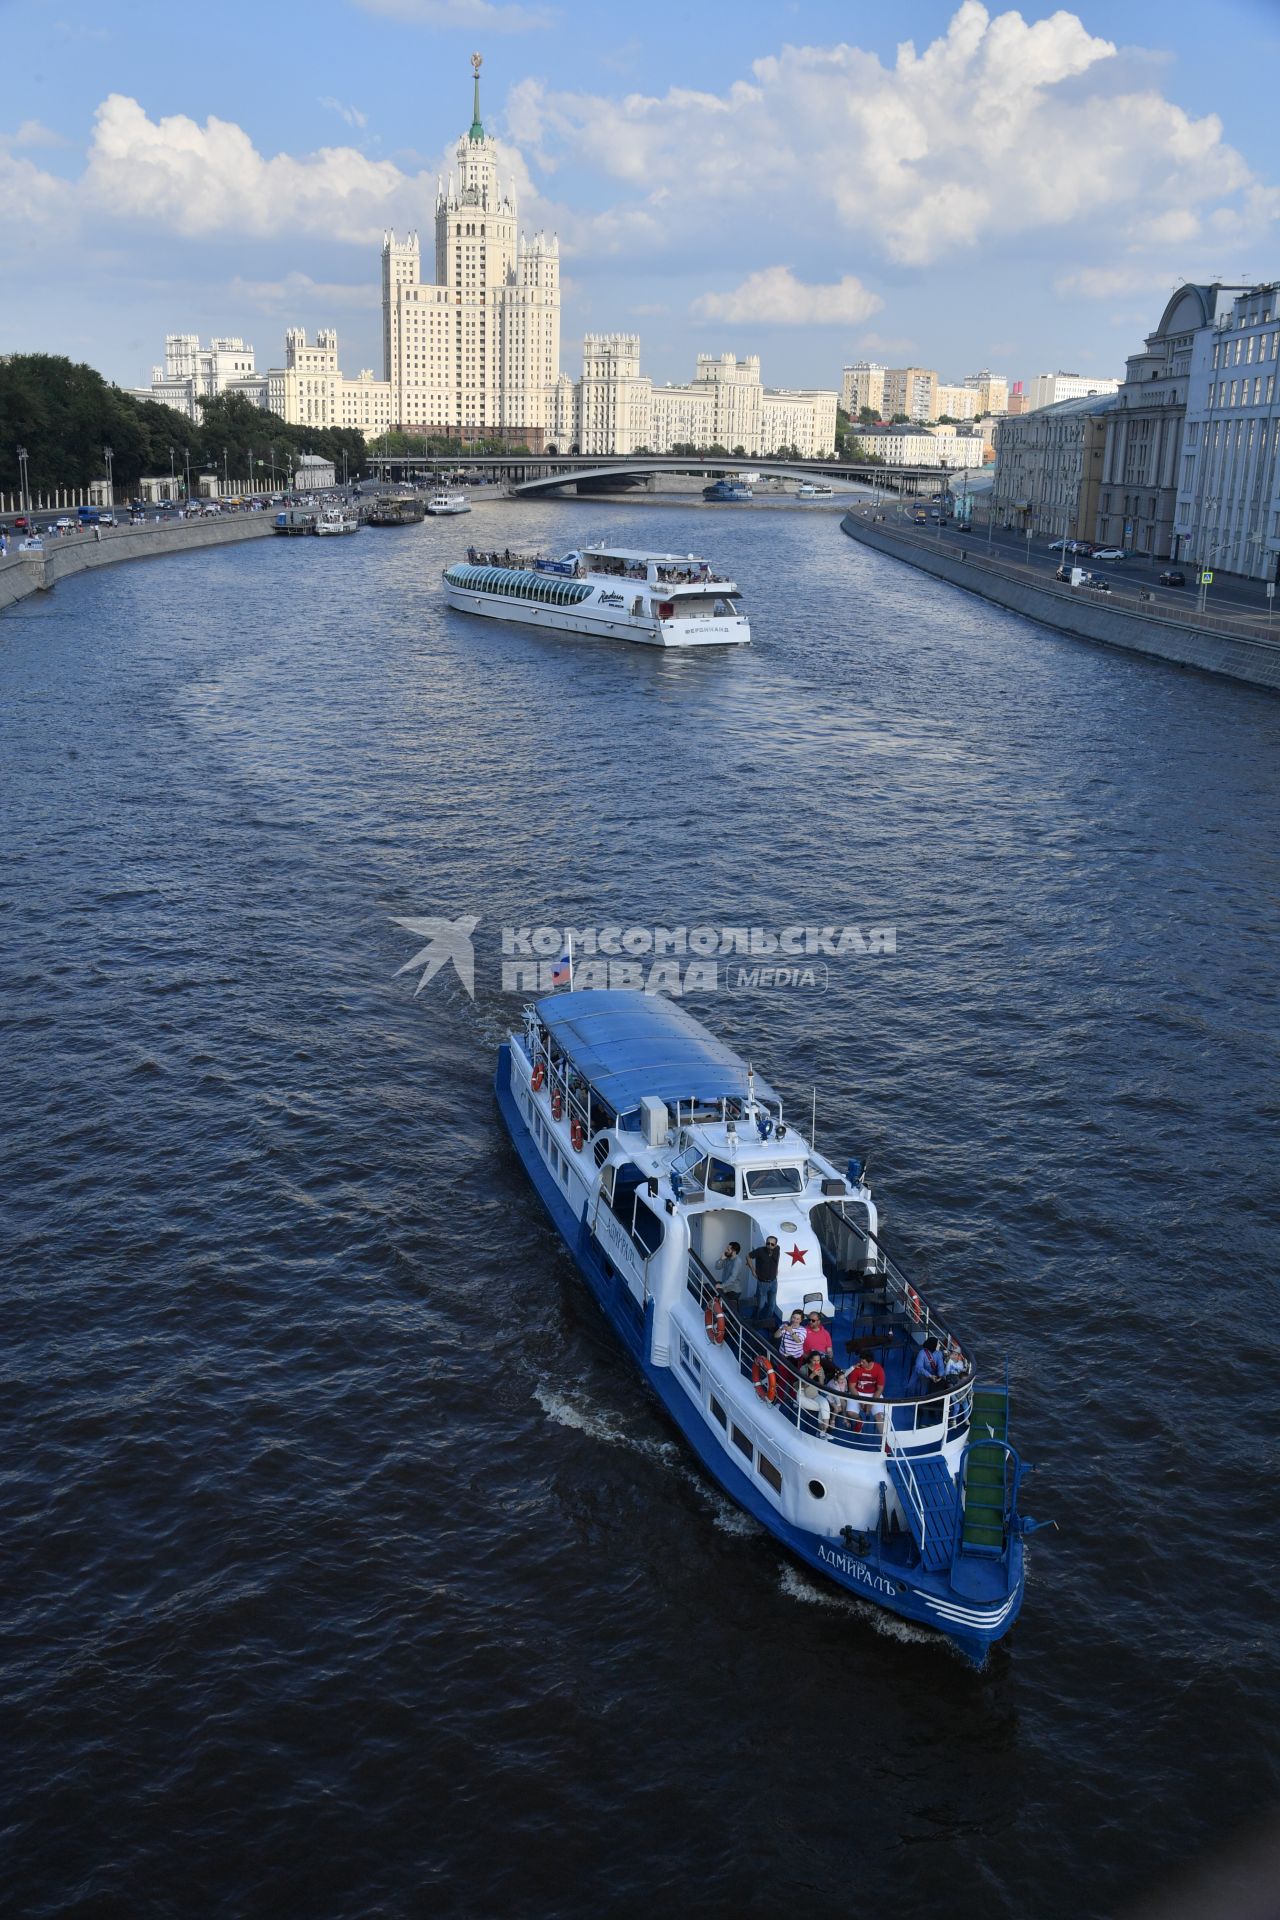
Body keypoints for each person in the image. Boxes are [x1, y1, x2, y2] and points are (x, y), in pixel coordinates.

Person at [847, 1353, 886, 1433]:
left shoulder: (879, 1370)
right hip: (857, 1392)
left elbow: (879, 1389)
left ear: (870, 1362)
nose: (861, 1363)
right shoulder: (857, 1368)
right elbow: (851, 1386)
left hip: (873, 1394)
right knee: (850, 1413)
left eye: (863, 1362)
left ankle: (885, 1442)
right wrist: (860, 1401)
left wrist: (871, 1403)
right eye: (860, 1361)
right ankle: (859, 1420)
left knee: (879, 1416)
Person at [797, 1353, 833, 1434]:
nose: (816, 1363)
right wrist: (812, 1375)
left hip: (814, 1394)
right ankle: (822, 1431)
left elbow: (821, 1386)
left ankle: (823, 1430)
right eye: (814, 1360)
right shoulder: (804, 1368)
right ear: (810, 1359)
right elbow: (802, 1386)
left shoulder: (820, 1368)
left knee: (825, 1403)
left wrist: (820, 1376)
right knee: (823, 1407)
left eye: (818, 1360)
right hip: (802, 1394)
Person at [714, 1241, 752, 1317]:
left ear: (734, 1251)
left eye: (728, 1249)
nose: (725, 1250)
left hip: (733, 1290)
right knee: (720, 1304)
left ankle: (733, 1324)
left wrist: (722, 1286)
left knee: (730, 1311)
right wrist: (721, 1259)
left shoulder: (737, 1261)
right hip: (726, 1288)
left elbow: (733, 1278)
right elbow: (717, 1267)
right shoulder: (727, 1258)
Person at [749, 1234, 781, 1323]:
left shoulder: (777, 1249)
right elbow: (748, 1256)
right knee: (760, 1305)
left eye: (772, 1244)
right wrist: (752, 1270)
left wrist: (777, 1268)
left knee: (772, 1305)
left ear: (776, 1245)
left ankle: (767, 1322)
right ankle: (755, 1320)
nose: (770, 1245)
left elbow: (777, 1258)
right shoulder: (760, 1251)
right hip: (763, 1283)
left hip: (774, 1282)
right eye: (768, 1243)